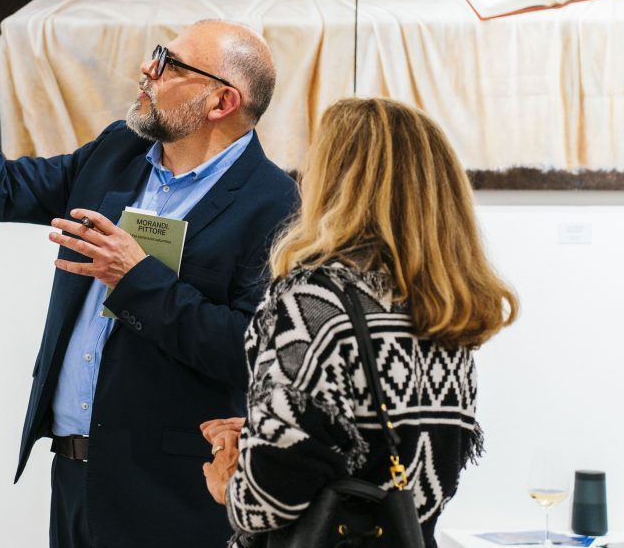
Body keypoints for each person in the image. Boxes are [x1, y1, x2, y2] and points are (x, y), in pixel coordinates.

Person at [0, 0, 299, 548]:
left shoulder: (274, 203)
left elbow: (249, 350)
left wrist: (137, 278)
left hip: (170, 495)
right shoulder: (118, 151)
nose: (147, 69)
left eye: (169, 63)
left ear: (221, 102)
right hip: (73, 473)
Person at [200, 98, 518, 547]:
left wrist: (232, 479)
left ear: (335, 182)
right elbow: (400, 453)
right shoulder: (445, 310)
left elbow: (267, 501)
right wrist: (264, 430)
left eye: (315, 161)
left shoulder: (312, 301)